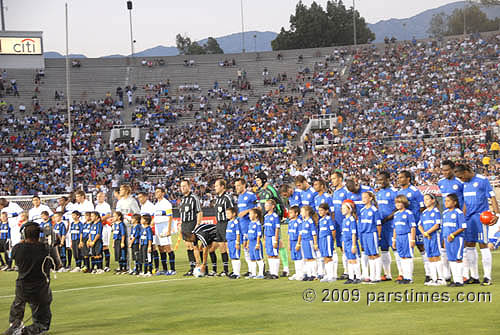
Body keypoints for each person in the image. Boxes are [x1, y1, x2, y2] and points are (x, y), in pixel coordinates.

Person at [4, 222, 54, 335]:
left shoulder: (17, 248)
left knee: (18, 306)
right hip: (40, 287)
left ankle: (15, 327)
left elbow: (13, 254)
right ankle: (25, 332)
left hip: (22, 285)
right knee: (42, 322)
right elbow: (57, 264)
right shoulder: (45, 249)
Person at [454, 163, 499, 286]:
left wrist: (497, 214)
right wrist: (462, 218)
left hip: (480, 217)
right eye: (459, 178)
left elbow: (492, 197)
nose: (461, 179)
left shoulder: (482, 180)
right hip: (468, 218)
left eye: (462, 176)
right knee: (469, 245)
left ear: (467, 171)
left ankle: (487, 277)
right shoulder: (464, 184)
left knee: (483, 244)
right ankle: (474, 276)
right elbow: (465, 203)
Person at [396, 171, 429, 282]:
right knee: (405, 251)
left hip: (416, 225)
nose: (399, 179)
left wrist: (420, 222)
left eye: (401, 177)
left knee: (422, 248)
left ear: (408, 178)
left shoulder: (415, 191)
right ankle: (405, 275)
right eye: (398, 177)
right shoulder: (399, 192)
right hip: (405, 228)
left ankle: (429, 274)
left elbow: (422, 208)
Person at [437, 160, 463, 281]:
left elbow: (464, 200)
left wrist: (463, 215)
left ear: (453, 169)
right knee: (444, 247)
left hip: (458, 218)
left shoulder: (459, 182)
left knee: (462, 248)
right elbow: (441, 202)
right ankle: (446, 275)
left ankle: (464, 276)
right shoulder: (440, 182)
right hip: (446, 218)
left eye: (447, 170)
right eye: (443, 170)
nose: (445, 172)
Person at [418, 194, 445, 286]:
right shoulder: (424, 213)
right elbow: (419, 225)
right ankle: (433, 278)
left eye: (427, 199)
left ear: (433, 200)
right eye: (424, 199)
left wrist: (428, 232)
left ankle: (441, 278)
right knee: (429, 257)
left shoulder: (436, 212)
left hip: (434, 236)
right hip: (426, 237)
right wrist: (424, 233)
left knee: (436, 256)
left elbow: (437, 225)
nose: (425, 201)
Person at [375, 171, 397, 281]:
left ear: (388, 179)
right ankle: (387, 274)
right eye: (378, 180)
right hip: (382, 225)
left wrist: (387, 218)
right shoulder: (379, 193)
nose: (380, 182)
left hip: (391, 224)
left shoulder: (394, 192)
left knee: (396, 248)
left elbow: (398, 208)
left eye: (382, 180)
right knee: (383, 249)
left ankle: (402, 274)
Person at [442, 194, 467, 287]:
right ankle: (455, 279)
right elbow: (444, 228)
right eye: (445, 201)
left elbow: (463, 227)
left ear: (455, 202)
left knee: (458, 258)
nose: (446, 202)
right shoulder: (444, 213)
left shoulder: (458, 212)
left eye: (448, 201)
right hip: (447, 239)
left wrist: (453, 234)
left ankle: (460, 281)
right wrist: (444, 240)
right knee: (451, 259)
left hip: (457, 239)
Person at [179, 179, 203, 276]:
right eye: (181, 186)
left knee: (194, 246)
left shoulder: (194, 198)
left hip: (191, 224)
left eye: (184, 186)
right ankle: (192, 267)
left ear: (189, 187)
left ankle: (198, 266)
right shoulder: (183, 199)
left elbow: (199, 211)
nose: (182, 188)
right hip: (184, 225)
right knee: (188, 246)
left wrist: (197, 224)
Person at [235, 178, 257, 276]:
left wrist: (247, 211)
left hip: (250, 225)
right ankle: (250, 270)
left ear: (244, 185)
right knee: (245, 248)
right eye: (235, 186)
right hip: (242, 225)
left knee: (252, 247)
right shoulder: (239, 197)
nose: (236, 188)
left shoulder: (251, 195)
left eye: (238, 185)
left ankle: (259, 269)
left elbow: (258, 207)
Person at [359, 192, 382, 283]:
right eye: (362, 197)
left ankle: (378, 276)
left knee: (375, 254)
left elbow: (378, 224)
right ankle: (372, 276)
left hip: (372, 233)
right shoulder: (362, 210)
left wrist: (378, 235)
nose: (363, 199)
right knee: (369, 255)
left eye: (365, 197)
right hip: (364, 234)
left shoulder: (374, 210)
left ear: (370, 198)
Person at [392, 195, 416, 284]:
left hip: (406, 236)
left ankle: (409, 278)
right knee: (401, 256)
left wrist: (412, 240)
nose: (397, 204)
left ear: (404, 203)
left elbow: (413, 227)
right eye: (396, 203)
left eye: (399, 202)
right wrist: (394, 240)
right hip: (398, 237)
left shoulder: (408, 213)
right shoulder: (396, 214)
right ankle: (404, 276)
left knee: (408, 256)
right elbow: (394, 228)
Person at [152, 188, 175, 276]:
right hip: (157, 226)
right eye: (156, 191)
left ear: (162, 193)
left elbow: (170, 217)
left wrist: (169, 230)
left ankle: (172, 269)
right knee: (160, 248)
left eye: (158, 192)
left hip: (164, 226)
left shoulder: (166, 203)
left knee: (167, 247)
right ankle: (165, 269)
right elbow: (156, 217)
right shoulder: (156, 204)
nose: (156, 193)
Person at [214, 179, 235, 277]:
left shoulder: (227, 198)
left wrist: (232, 224)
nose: (215, 188)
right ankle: (225, 270)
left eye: (217, 186)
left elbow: (232, 211)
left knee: (228, 247)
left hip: (226, 224)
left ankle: (235, 269)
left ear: (222, 186)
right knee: (221, 247)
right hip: (218, 224)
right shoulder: (217, 198)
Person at [330, 171, 348, 279]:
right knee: (341, 247)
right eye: (331, 179)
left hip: (344, 223)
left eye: (334, 178)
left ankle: (349, 270)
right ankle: (347, 270)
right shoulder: (335, 192)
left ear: (340, 179)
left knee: (347, 246)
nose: (332, 181)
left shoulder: (345, 191)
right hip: (336, 223)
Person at [296, 205, 318, 281]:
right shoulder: (303, 222)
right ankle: (309, 274)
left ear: (307, 212)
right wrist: (299, 243)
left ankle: (314, 274)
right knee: (307, 258)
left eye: (302, 211)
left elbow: (314, 233)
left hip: (309, 241)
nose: (300, 213)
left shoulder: (310, 221)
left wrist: (315, 243)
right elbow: (301, 233)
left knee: (311, 258)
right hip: (304, 241)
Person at [341, 200, 361, 284]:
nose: (342, 210)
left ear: (349, 209)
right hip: (346, 242)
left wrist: (353, 245)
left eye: (344, 208)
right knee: (349, 260)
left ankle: (358, 276)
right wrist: (343, 245)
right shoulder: (344, 220)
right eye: (342, 208)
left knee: (354, 259)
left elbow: (353, 234)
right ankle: (351, 276)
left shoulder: (351, 220)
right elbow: (343, 234)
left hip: (350, 242)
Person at [317, 203, 337, 282]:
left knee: (329, 257)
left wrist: (332, 240)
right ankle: (327, 275)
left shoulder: (329, 219)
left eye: (322, 210)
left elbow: (333, 230)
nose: (320, 212)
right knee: (325, 257)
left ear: (326, 211)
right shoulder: (321, 220)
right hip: (322, 239)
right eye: (319, 210)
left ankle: (332, 276)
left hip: (327, 238)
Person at [245, 208, 264, 279]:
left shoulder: (257, 224)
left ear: (255, 215)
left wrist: (258, 243)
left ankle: (261, 274)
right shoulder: (250, 223)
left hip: (256, 242)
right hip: (251, 243)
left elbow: (259, 234)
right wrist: (247, 243)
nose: (249, 215)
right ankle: (253, 273)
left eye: (250, 214)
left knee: (258, 258)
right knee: (252, 259)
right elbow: (249, 235)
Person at [263, 199, 280, 279]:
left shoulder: (275, 216)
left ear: (272, 206)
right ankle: (271, 271)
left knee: (274, 255)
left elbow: (277, 229)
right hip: (268, 237)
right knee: (269, 255)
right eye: (265, 205)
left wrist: (276, 240)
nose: (265, 206)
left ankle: (275, 273)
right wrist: (264, 239)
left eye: (267, 205)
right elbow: (265, 229)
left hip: (273, 237)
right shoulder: (266, 216)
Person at [95, 192, 111, 272]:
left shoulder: (106, 205)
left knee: (105, 246)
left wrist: (99, 220)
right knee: (99, 246)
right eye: (98, 196)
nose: (99, 198)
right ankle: (99, 265)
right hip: (99, 227)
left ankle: (107, 265)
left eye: (100, 196)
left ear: (104, 197)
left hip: (105, 227)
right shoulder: (97, 206)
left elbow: (108, 215)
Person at [287, 206, 303, 281]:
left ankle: (301, 274)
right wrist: (289, 244)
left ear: (296, 213)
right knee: (295, 258)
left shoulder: (299, 222)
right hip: (292, 241)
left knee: (299, 257)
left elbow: (300, 233)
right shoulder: (290, 222)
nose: (289, 214)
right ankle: (297, 273)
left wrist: (298, 243)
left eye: (291, 213)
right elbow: (289, 234)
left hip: (297, 241)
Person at [225, 207, 241, 279]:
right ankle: (234, 271)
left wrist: (237, 242)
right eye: (226, 213)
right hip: (229, 242)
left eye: (228, 213)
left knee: (236, 257)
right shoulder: (229, 222)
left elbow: (238, 233)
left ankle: (237, 273)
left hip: (234, 241)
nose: (227, 215)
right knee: (232, 257)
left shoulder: (236, 222)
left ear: (234, 214)